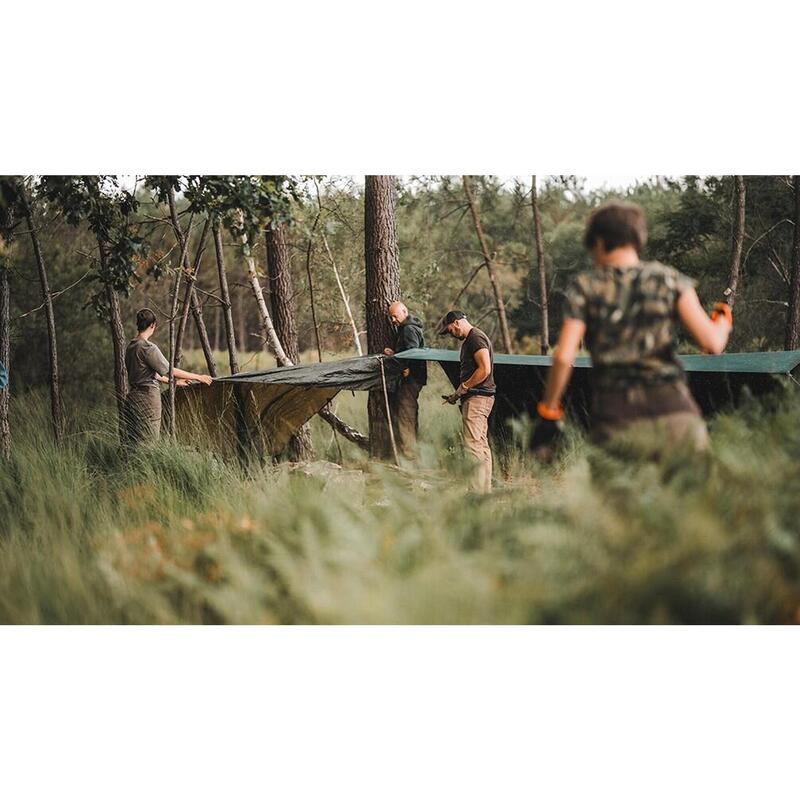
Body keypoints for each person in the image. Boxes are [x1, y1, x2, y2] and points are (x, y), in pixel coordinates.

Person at [531, 201, 733, 462]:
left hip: (617, 418)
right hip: (676, 415)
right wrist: (723, 320)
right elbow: (713, 343)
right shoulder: (668, 279)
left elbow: (563, 357)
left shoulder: (586, 287)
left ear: (600, 242)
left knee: (623, 503)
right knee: (691, 503)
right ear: (637, 239)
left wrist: (548, 412)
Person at [124, 308, 213, 444]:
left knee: (133, 441)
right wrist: (199, 377)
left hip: (132, 398)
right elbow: (169, 370)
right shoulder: (148, 347)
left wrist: (174, 383)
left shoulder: (131, 346)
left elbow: (151, 374)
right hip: (147, 400)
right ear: (152, 325)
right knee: (149, 443)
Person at [439, 310, 496, 493]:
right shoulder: (472, 339)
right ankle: (484, 491)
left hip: (477, 398)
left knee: (472, 446)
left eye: (450, 330)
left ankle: (476, 493)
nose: (451, 334)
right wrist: (455, 396)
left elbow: (484, 369)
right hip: (479, 397)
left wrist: (464, 386)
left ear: (456, 323)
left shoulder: (475, 338)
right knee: (481, 445)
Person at [383, 301, 427, 459]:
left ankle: (410, 459)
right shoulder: (406, 328)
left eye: (395, 316)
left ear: (404, 311)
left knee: (405, 417)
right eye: (391, 317)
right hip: (412, 378)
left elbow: (413, 352)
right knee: (409, 416)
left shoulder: (408, 329)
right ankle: (413, 455)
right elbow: (406, 350)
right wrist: (394, 353)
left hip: (411, 379)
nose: (393, 320)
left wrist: (407, 368)